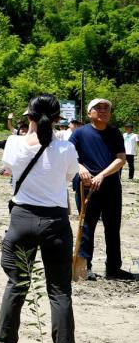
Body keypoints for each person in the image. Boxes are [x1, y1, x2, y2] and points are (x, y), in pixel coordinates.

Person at [0, 94, 82, 343]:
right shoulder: (66, 149)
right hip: (55, 221)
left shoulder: (13, 144)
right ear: (58, 118)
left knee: (16, 283)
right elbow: (68, 178)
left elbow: (10, 170)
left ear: (28, 117)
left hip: (21, 218)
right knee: (59, 290)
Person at [70, 98, 132, 281]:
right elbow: (69, 156)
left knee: (113, 228)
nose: (103, 111)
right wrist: (81, 169)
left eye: (107, 108)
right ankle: (84, 267)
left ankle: (114, 268)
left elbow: (121, 159)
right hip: (87, 187)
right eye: (98, 108)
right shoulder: (80, 133)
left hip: (111, 186)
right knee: (87, 226)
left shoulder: (114, 133)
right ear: (90, 113)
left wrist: (102, 175)